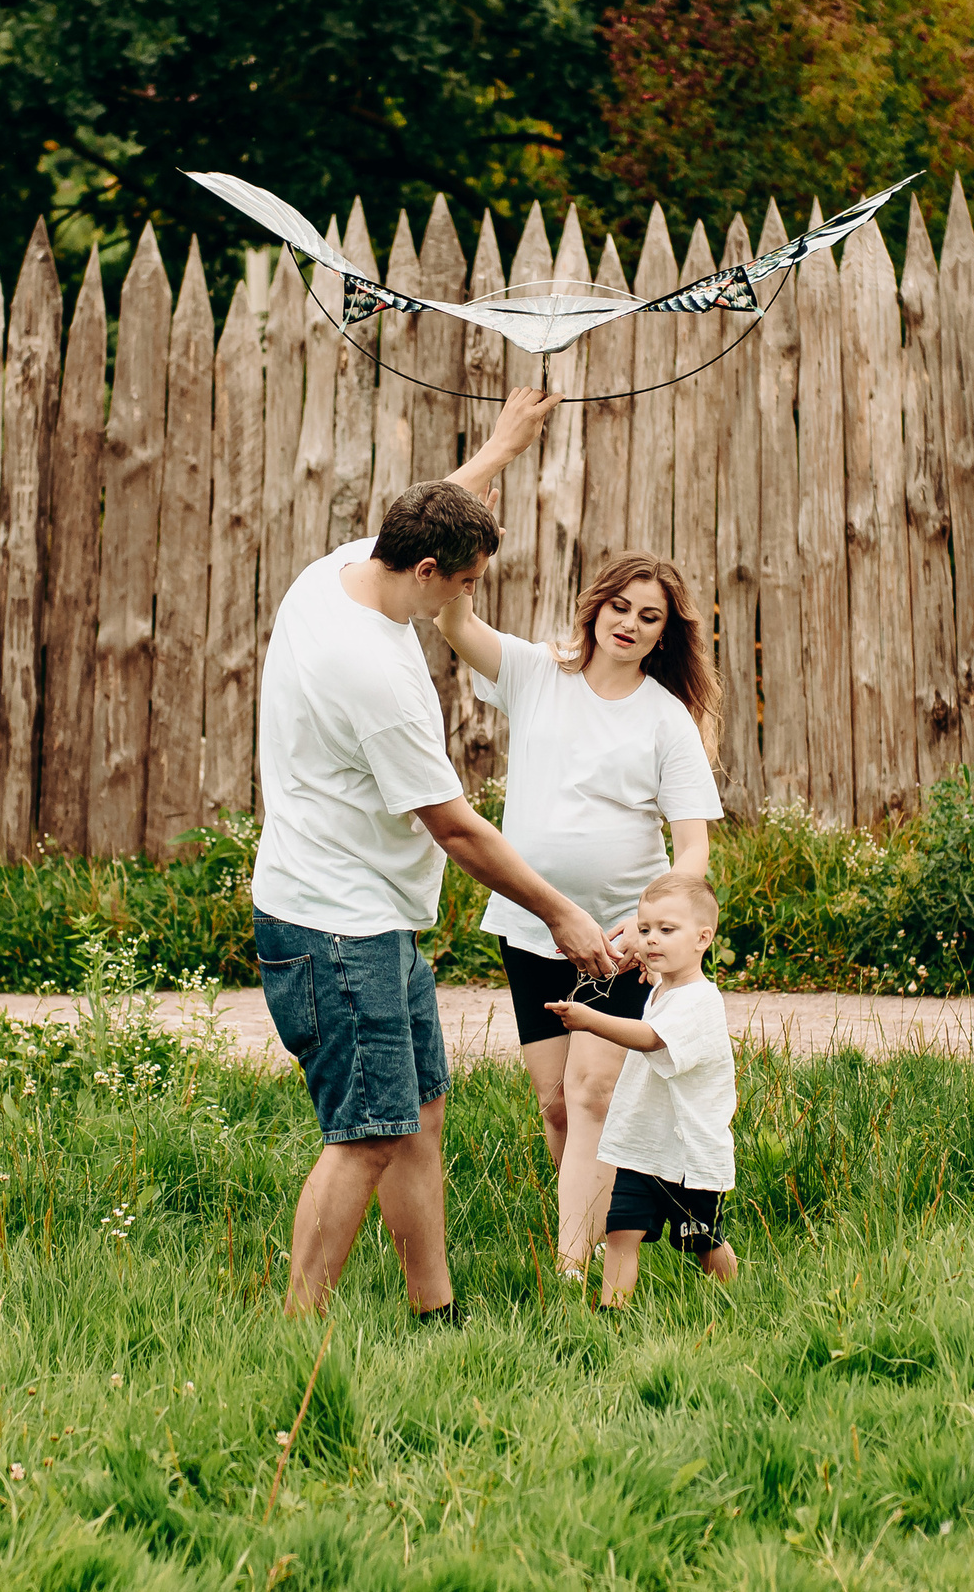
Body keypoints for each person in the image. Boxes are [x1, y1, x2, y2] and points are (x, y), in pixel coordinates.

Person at [253, 386, 618, 1320]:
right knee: (367, 1131)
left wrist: (500, 446)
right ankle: (294, 1331)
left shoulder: (339, 571)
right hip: (337, 926)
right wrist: (561, 913)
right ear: (426, 571)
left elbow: (433, 505)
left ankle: (436, 1311)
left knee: (417, 1112)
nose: (465, 597)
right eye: (463, 582)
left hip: (366, 914)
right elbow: (455, 828)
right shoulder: (376, 674)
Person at [434, 549, 721, 1277]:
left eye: (649, 617)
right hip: (531, 926)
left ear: (663, 634)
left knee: (594, 1091)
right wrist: (471, 549)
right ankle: (617, 1224)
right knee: (558, 1104)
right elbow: (454, 623)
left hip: (621, 940)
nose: (630, 624)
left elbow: (692, 849)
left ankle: (572, 1269)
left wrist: (646, 927)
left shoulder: (667, 720)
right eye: (620, 606)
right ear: (596, 606)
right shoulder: (537, 674)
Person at [546, 872, 738, 1306]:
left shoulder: (700, 1001)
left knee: (701, 1240)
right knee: (620, 1232)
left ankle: (735, 1295)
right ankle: (612, 1311)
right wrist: (653, 978)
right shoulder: (665, 989)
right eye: (646, 928)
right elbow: (659, 1002)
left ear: (703, 939)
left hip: (687, 1156)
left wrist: (590, 1019)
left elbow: (651, 1038)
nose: (651, 939)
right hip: (643, 1149)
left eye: (667, 930)